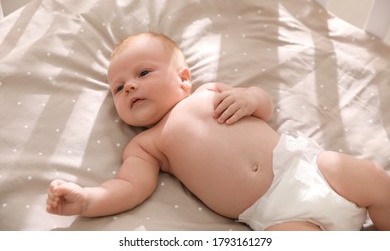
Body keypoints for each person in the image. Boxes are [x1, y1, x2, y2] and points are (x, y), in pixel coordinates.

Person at [46, 32, 390, 231]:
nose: (131, 88)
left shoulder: (208, 92)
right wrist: (87, 200)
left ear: (183, 79)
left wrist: (248, 97)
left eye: (143, 73)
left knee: (374, 177)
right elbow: (129, 187)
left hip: (307, 168)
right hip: (276, 215)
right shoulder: (146, 145)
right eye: (119, 89)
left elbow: (265, 106)